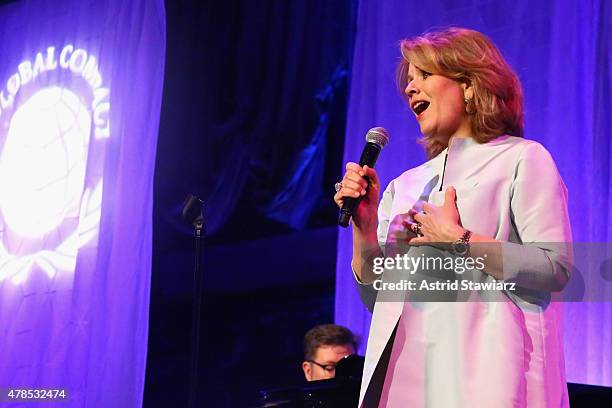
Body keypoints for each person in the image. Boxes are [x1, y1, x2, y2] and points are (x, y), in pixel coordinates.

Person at [333, 28, 572, 407]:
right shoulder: (405, 185)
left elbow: (555, 267)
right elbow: (377, 299)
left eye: (424, 76)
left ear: (470, 86)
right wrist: (364, 227)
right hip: (409, 381)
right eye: (409, 82)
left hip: (490, 377)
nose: (411, 89)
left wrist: (460, 240)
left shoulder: (522, 159)